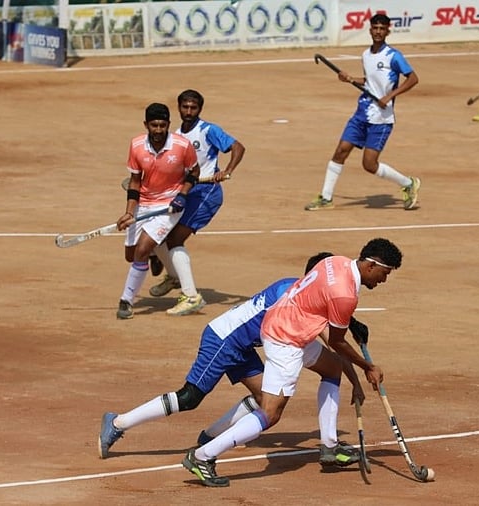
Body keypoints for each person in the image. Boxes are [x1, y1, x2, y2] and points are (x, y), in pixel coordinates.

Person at [99, 252, 370, 470]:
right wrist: (357, 373)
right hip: (223, 339)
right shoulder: (292, 295)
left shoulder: (300, 291)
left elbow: (331, 351)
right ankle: (117, 423)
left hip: (242, 345)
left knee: (265, 400)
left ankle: (209, 437)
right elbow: (332, 342)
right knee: (189, 398)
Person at [182, 238, 402, 487]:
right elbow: (338, 342)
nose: (383, 280)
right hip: (285, 338)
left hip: (290, 324)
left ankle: (329, 447)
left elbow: (325, 310)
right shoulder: (346, 294)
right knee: (270, 413)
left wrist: (354, 377)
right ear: (371, 266)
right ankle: (202, 456)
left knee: (332, 368)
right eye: (385, 274)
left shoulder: (334, 262)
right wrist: (367, 368)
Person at [304, 13, 421, 212]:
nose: (378, 32)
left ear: (387, 31)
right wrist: (350, 79)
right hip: (362, 112)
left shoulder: (394, 56)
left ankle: (408, 183)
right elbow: (369, 82)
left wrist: (389, 96)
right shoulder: (366, 55)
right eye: (375, 28)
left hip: (382, 119)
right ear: (370, 30)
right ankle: (326, 197)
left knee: (369, 164)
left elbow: (413, 79)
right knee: (341, 151)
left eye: (382, 29)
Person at [148, 89, 247, 316]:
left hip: (206, 193)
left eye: (193, 108)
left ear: (200, 109)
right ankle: (173, 277)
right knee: (158, 233)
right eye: (185, 107)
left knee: (174, 239)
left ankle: (191, 296)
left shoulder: (208, 130)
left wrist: (227, 170)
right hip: (185, 192)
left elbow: (238, 147)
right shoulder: (174, 135)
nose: (189, 111)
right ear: (179, 108)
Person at [116, 103, 200, 320]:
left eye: (163, 125)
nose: (158, 130)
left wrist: (182, 195)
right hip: (144, 203)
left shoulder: (182, 145)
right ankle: (156, 252)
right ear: (146, 125)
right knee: (131, 255)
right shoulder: (136, 146)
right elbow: (135, 182)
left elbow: (194, 172)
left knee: (142, 250)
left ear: (168, 125)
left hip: (169, 206)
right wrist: (129, 212)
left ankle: (126, 300)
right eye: (154, 125)